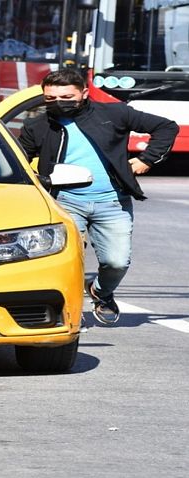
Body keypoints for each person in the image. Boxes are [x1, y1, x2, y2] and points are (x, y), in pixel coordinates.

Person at [19, 68, 178, 325]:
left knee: (117, 262)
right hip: (64, 203)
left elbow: (166, 127)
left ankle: (100, 292)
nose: (58, 103)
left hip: (113, 202)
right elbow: (18, 162)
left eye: (67, 97)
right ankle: (67, 313)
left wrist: (146, 160)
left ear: (83, 93)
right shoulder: (36, 126)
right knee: (66, 261)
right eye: (50, 98)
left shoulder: (114, 114)